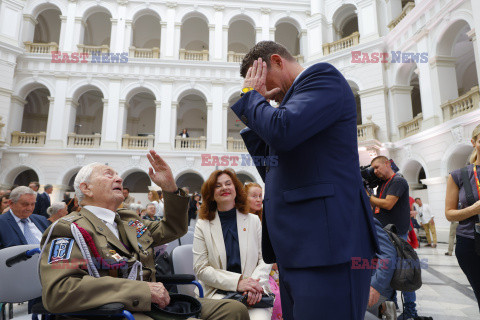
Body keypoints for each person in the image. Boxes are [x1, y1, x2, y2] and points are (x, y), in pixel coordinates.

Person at [230, 41, 378, 319]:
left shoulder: (321, 77)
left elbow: (282, 131)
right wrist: (257, 110)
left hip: (327, 250)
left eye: (261, 79)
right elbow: (271, 169)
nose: (265, 92)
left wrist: (252, 98)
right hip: (298, 250)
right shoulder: (285, 109)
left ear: (277, 61)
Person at [39, 150, 249, 320]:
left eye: (117, 174)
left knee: (233, 310)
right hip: (115, 310)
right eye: (109, 174)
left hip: (153, 304)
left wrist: (170, 189)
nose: (119, 178)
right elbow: (61, 290)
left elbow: (173, 229)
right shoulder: (69, 229)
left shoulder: (128, 220)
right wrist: (141, 290)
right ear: (86, 188)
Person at [193, 169, 273, 320]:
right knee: (234, 313)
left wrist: (253, 286)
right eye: (218, 186)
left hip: (252, 294)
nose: (224, 188)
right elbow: (201, 269)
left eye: (228, 183)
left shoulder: (253, 221)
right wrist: (238, 283)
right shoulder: (202, 225)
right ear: (211, 194)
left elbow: (264, 259)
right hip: (217, 294)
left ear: (236, 189)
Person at [369, 155, 418, 319]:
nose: (375, 171)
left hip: (397, 235)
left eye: (377, 167)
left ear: (387, 163)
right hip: (386, 233)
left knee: (403, 273)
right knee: (389, 271)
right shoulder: (382, 184)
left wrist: (367, 197)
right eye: (373, 169)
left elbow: (388, 204)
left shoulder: (398, 181)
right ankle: (391, 305)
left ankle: (411, 311)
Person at [445, 123, 480, 310]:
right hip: (472, 243)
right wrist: (472, 209)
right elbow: (449, 214)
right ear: (474, 142)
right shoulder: (460, 175)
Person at [244, 182, 282, 320]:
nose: (259, 199)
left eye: (260, 196)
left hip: (269, 269)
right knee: (276, 296)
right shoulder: (243, 222)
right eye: (254, 196)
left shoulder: (265, 220)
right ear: (244, 198)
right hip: (255, 271)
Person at [364, 219, 397, 320]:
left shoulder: (365, 219)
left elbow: (388, 255)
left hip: (370, 285)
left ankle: (382, 305)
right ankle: (384, 306)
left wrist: (375, 287)